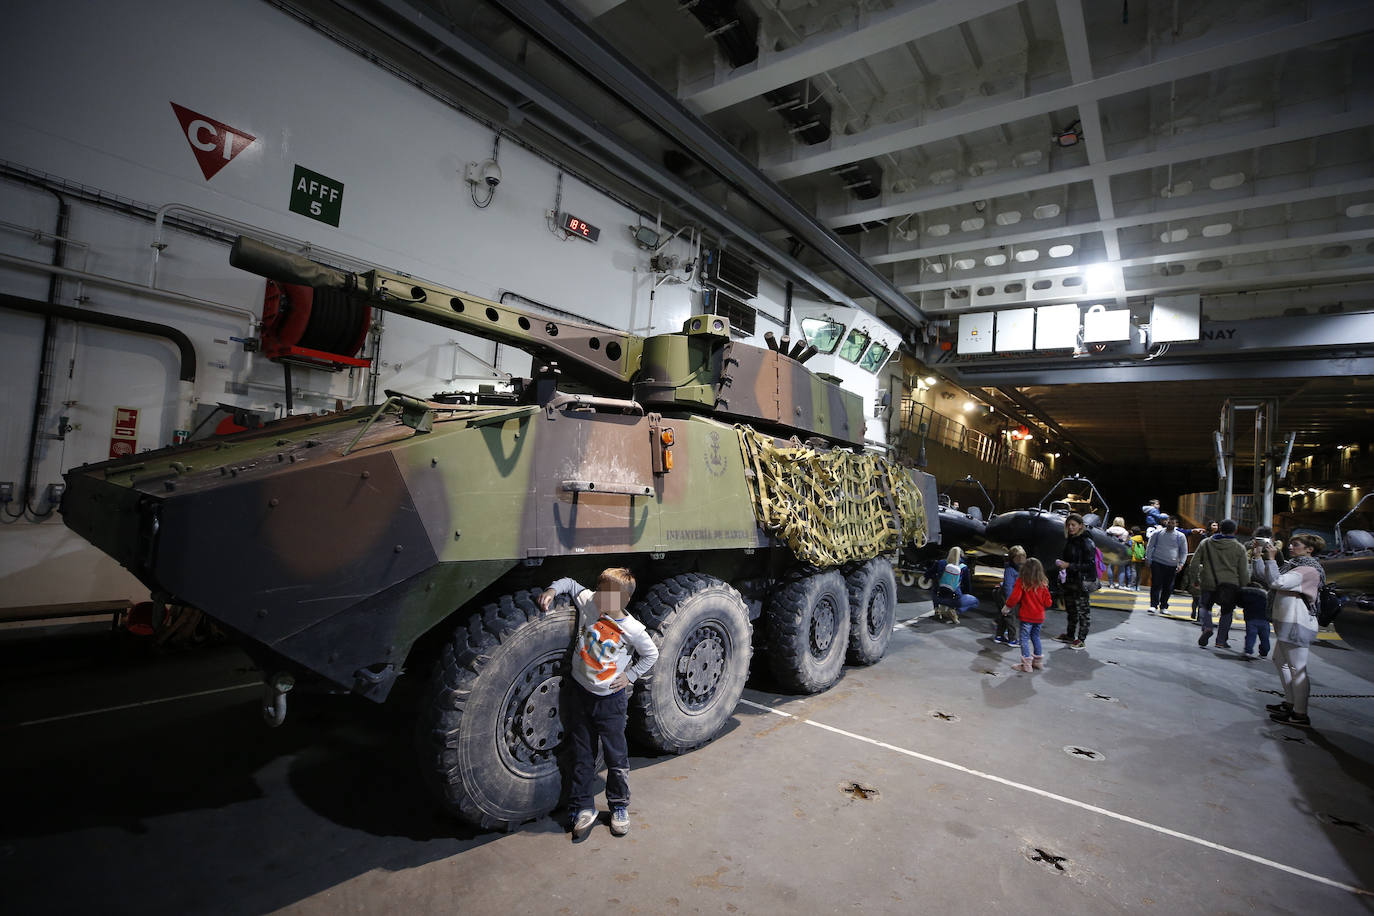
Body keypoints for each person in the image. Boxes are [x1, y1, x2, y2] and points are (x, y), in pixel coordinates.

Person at [539, 568, 659, 838]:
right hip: (582, 696)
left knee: (616, 756)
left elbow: (651, 653)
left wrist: (629, 676)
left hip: (610, 702)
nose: (601, 599)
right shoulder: (590, 602)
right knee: (583, 754)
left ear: (624, 601)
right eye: (600, 591)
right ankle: (583, 806)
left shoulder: (633, 629)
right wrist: (552, 590)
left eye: (609, 596)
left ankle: (618, 805)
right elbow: (569, 582)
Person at [1250, 534, 1326, 728]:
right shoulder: (1293, 566)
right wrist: (1259, 557)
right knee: (1280, 661)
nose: (1291, 547)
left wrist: (1272, 559)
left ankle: (1300, 714)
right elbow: (1265, 577)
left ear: (1310, 549)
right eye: (1291, 543)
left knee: (1297, 668)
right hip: (1286, 622)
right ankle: (1291, 704)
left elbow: (1277, 582)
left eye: (1296, 544)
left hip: (1296, 623)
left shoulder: (1309, 569)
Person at [1191, 518, 1251, 649]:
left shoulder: (1206, 543)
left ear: (1220, 529)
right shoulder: (1239, 547)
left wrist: (1194, 579)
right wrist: (1244, 586)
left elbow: (1194, 562)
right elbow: (1243, 571)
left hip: (1208, 582)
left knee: (1204, 606)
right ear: (1235, 531)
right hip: (1230, 584)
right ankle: (1221, 640)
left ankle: (1207, 627)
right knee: (1227, 612)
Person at [1054, 513, 1098, 649]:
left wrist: (1069, 565)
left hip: (1082, 582)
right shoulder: (1071, 539)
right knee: (1071, 609)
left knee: (1083, 612)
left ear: (1080, 526)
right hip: (1070, 580)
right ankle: (1069, 635)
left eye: (1073, 525)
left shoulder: (1086, 541)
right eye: (1069, 525)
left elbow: (1090, 565)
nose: (1071, 527)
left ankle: (1081, 639)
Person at [1007, 557, 1052, 672]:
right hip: (1039, 617)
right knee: (1035, 637)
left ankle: (1026, 665)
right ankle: (1038, 662)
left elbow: (1015, 597)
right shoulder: (1043, 584)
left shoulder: (1022, 582)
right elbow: (1048, 603)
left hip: (1027, 616)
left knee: (1024, 639)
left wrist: (1007, 606)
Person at [1145, 515, 1188, 614]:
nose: (1170, 524)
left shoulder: (1180, 536)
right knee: (1156, 584)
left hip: (1172, 565)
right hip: (1157, 562)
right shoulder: (1158, 533)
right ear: (1166, 522)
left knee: (1168, 587)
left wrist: (1181, 563)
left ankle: (1164, 606)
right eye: (1169, 522)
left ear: (1176, 524)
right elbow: (1150, 546)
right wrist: (1148, 558)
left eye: (1172, 523)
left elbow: (1183, 551)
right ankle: (1153, 605)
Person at [933, 546, 979, 624]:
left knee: (935, 588)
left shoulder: (940, 563)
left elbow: (928, 574)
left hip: (937, 597)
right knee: (975, 602)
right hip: (954, 598)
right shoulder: (963, 568)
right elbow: (967, 586)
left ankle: (937, 609)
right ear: (961, 556)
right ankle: (955, 611)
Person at [994, 546, 1025, 646]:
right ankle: (1012, 639)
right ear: (1013, 558)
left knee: (1004, 616)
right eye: (1018, 558)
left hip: (1011, 595)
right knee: (1010, 616)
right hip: (1006, 596)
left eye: (1022, 557)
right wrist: (1010, 602)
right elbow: (1008, 586)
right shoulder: (1010, 569)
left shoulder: (1019, 568)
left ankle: (999, 636)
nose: (1021, 560)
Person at [1239, 583, 1271, 660]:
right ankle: (1264, 652)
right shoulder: (1264, 596)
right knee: (1265, 638)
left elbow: (1241, 604)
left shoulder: (1246, 595)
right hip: (1264, 620)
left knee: (1250, 636)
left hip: (1251, 619)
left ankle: (1248, 652)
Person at [1105, 516, 1130, 588]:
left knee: (1110, 567)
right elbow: (1125, 542)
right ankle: (1121, 584)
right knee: (1121, 568)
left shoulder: (1109, 530)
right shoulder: (1125, 532)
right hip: (1120, 551)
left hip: (1111, 550)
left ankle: (1111, 584)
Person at [1128, 526, 1147, 591]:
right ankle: (1137, 586)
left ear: (1133, 532)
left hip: (1133, 557)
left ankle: (1132, 586)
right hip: (1140, 557)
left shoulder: (1132, 539)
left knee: (1133, 571)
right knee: (1139, 572)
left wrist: (1128, 555)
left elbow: (1129, 549)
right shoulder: (1141, 540)